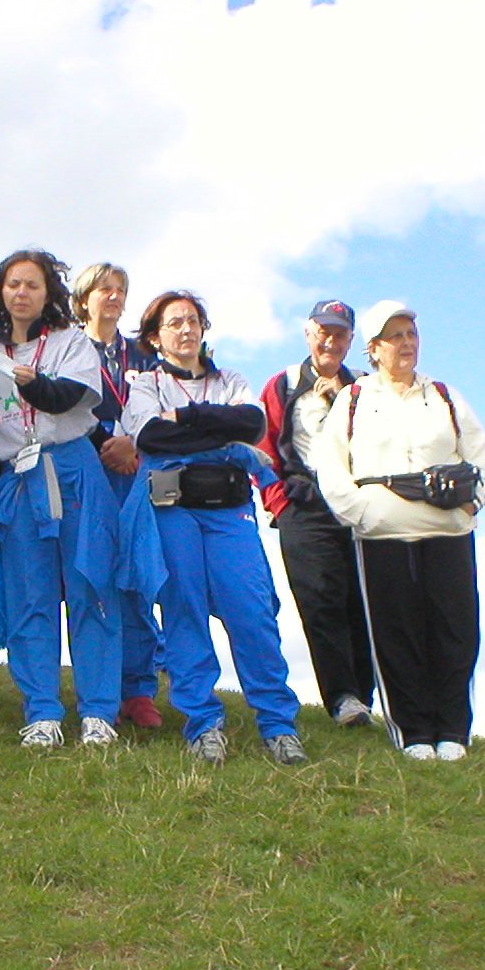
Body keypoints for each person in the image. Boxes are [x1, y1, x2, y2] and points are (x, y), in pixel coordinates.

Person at [119, 290, 306, 767]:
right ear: (156, 338)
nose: (185, 330)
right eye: (173, 323)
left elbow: (249, 424)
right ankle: (203, 724)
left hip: (228, 508)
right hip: (172, 504)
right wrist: (212, 431)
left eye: (192, 321)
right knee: (184, 609)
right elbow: (149, 437)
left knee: (252, 610)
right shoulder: (145, 384)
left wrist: (186, 417)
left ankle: (278, 724)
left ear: (204, 329)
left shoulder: (232, 380)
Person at [311, 300, 485, 762]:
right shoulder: (355, 400)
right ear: (374, 349)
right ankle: (412, 732)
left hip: (447, 532)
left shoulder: (446, 396)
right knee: (397, 633)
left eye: (411, 334)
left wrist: (472, 503)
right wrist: (361, 513)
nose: (406, 344)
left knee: (455, 631)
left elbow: (479, 453)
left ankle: (452, 730)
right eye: (395, 336)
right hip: (384, 536)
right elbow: (330, 464)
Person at [0, 250, 122, 749]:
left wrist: (32, 383)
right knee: (29, 597)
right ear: (0, 293)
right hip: (18, 477)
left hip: (72, 468)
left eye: (33, 284)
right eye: (13, 284)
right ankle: (42, 711)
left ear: (49, 293)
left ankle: (98, 711)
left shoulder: (71, 343)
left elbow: (68, 399)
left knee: (90, 587)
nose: (21, 293)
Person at [257, 300, 376, 728]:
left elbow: (382, 445)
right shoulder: (284, 383)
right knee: (320, 600)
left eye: (340, 333)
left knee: (363, 601)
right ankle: (343, 697)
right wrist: (279, 502)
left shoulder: (366, 388)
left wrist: (343, 403)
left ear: (350, 341)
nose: (330, 340)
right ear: (308, 333)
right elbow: (264, 447)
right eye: (323, 331)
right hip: (303, 507)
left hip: (360, 509)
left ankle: (366, 696)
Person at [72, 262, 164, 728]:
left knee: (137, 576)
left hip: (137, 465)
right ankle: (99, 685)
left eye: (120, 289)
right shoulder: (69, 348)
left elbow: (162, 405)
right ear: (83, 297)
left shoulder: (143, 353)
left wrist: (135, 445)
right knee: (95, 575)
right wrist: (104, 447)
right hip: (91, 465)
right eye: (104, 289)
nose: (113, 296)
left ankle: (139, 688)